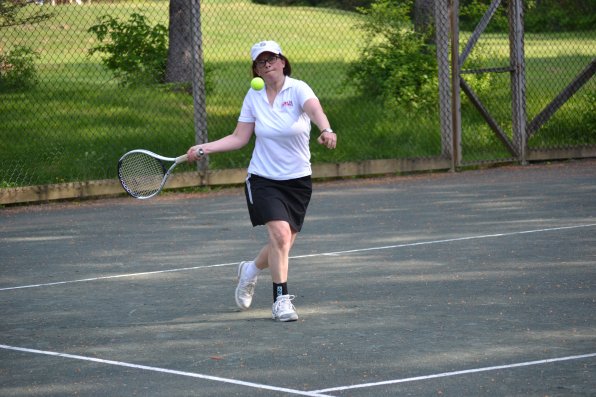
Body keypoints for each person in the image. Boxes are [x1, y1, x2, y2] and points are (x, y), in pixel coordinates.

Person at [187, 40, 337, 322]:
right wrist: (204, 147)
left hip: (298, 181)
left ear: (282, 62)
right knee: (280, 235)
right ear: (256, 70)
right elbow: (239, 138)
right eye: (261, 62)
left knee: (284, 244)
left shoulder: (299, 88)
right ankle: (281, 300)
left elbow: (316, 110)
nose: (267, 65)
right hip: (263, 179)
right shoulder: (253, 96)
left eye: (272, 59)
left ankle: (250, 270)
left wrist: (326, 129)